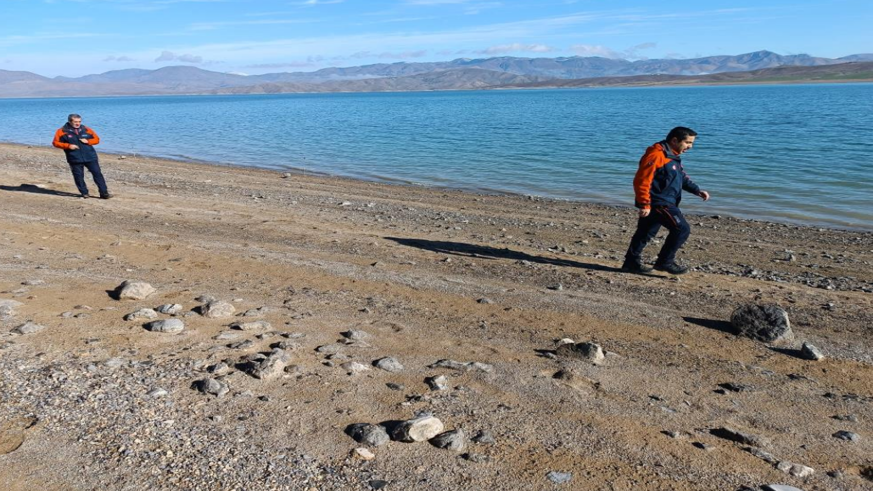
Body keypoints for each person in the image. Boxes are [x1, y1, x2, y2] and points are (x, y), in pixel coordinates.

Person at [622, 126, 710, 275]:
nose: (690, 147)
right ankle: (665, 261)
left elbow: (680, 177)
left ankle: (630, 263)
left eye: (692, 143)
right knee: (682, 229)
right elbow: (642, 180)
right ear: (675, 140)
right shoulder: (656, 155)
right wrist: (644, 203)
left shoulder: (672, 155)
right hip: (658, 202)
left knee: (645, 233)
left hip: (663, 201)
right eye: (688, 142)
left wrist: (696, 190)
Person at [52, 114, 112, 199]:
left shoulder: (86, 129)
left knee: (97, 174)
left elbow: (97, 139)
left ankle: (104, 193)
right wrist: (68, 146)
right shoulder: (61, 131)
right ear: (70, 121)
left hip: (90, 156)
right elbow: (55, 143)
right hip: (74, 158)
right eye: (75, 122)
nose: (78, 123)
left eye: (79, 121)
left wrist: (88, 141)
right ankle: (84, 193)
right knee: (78, 176)